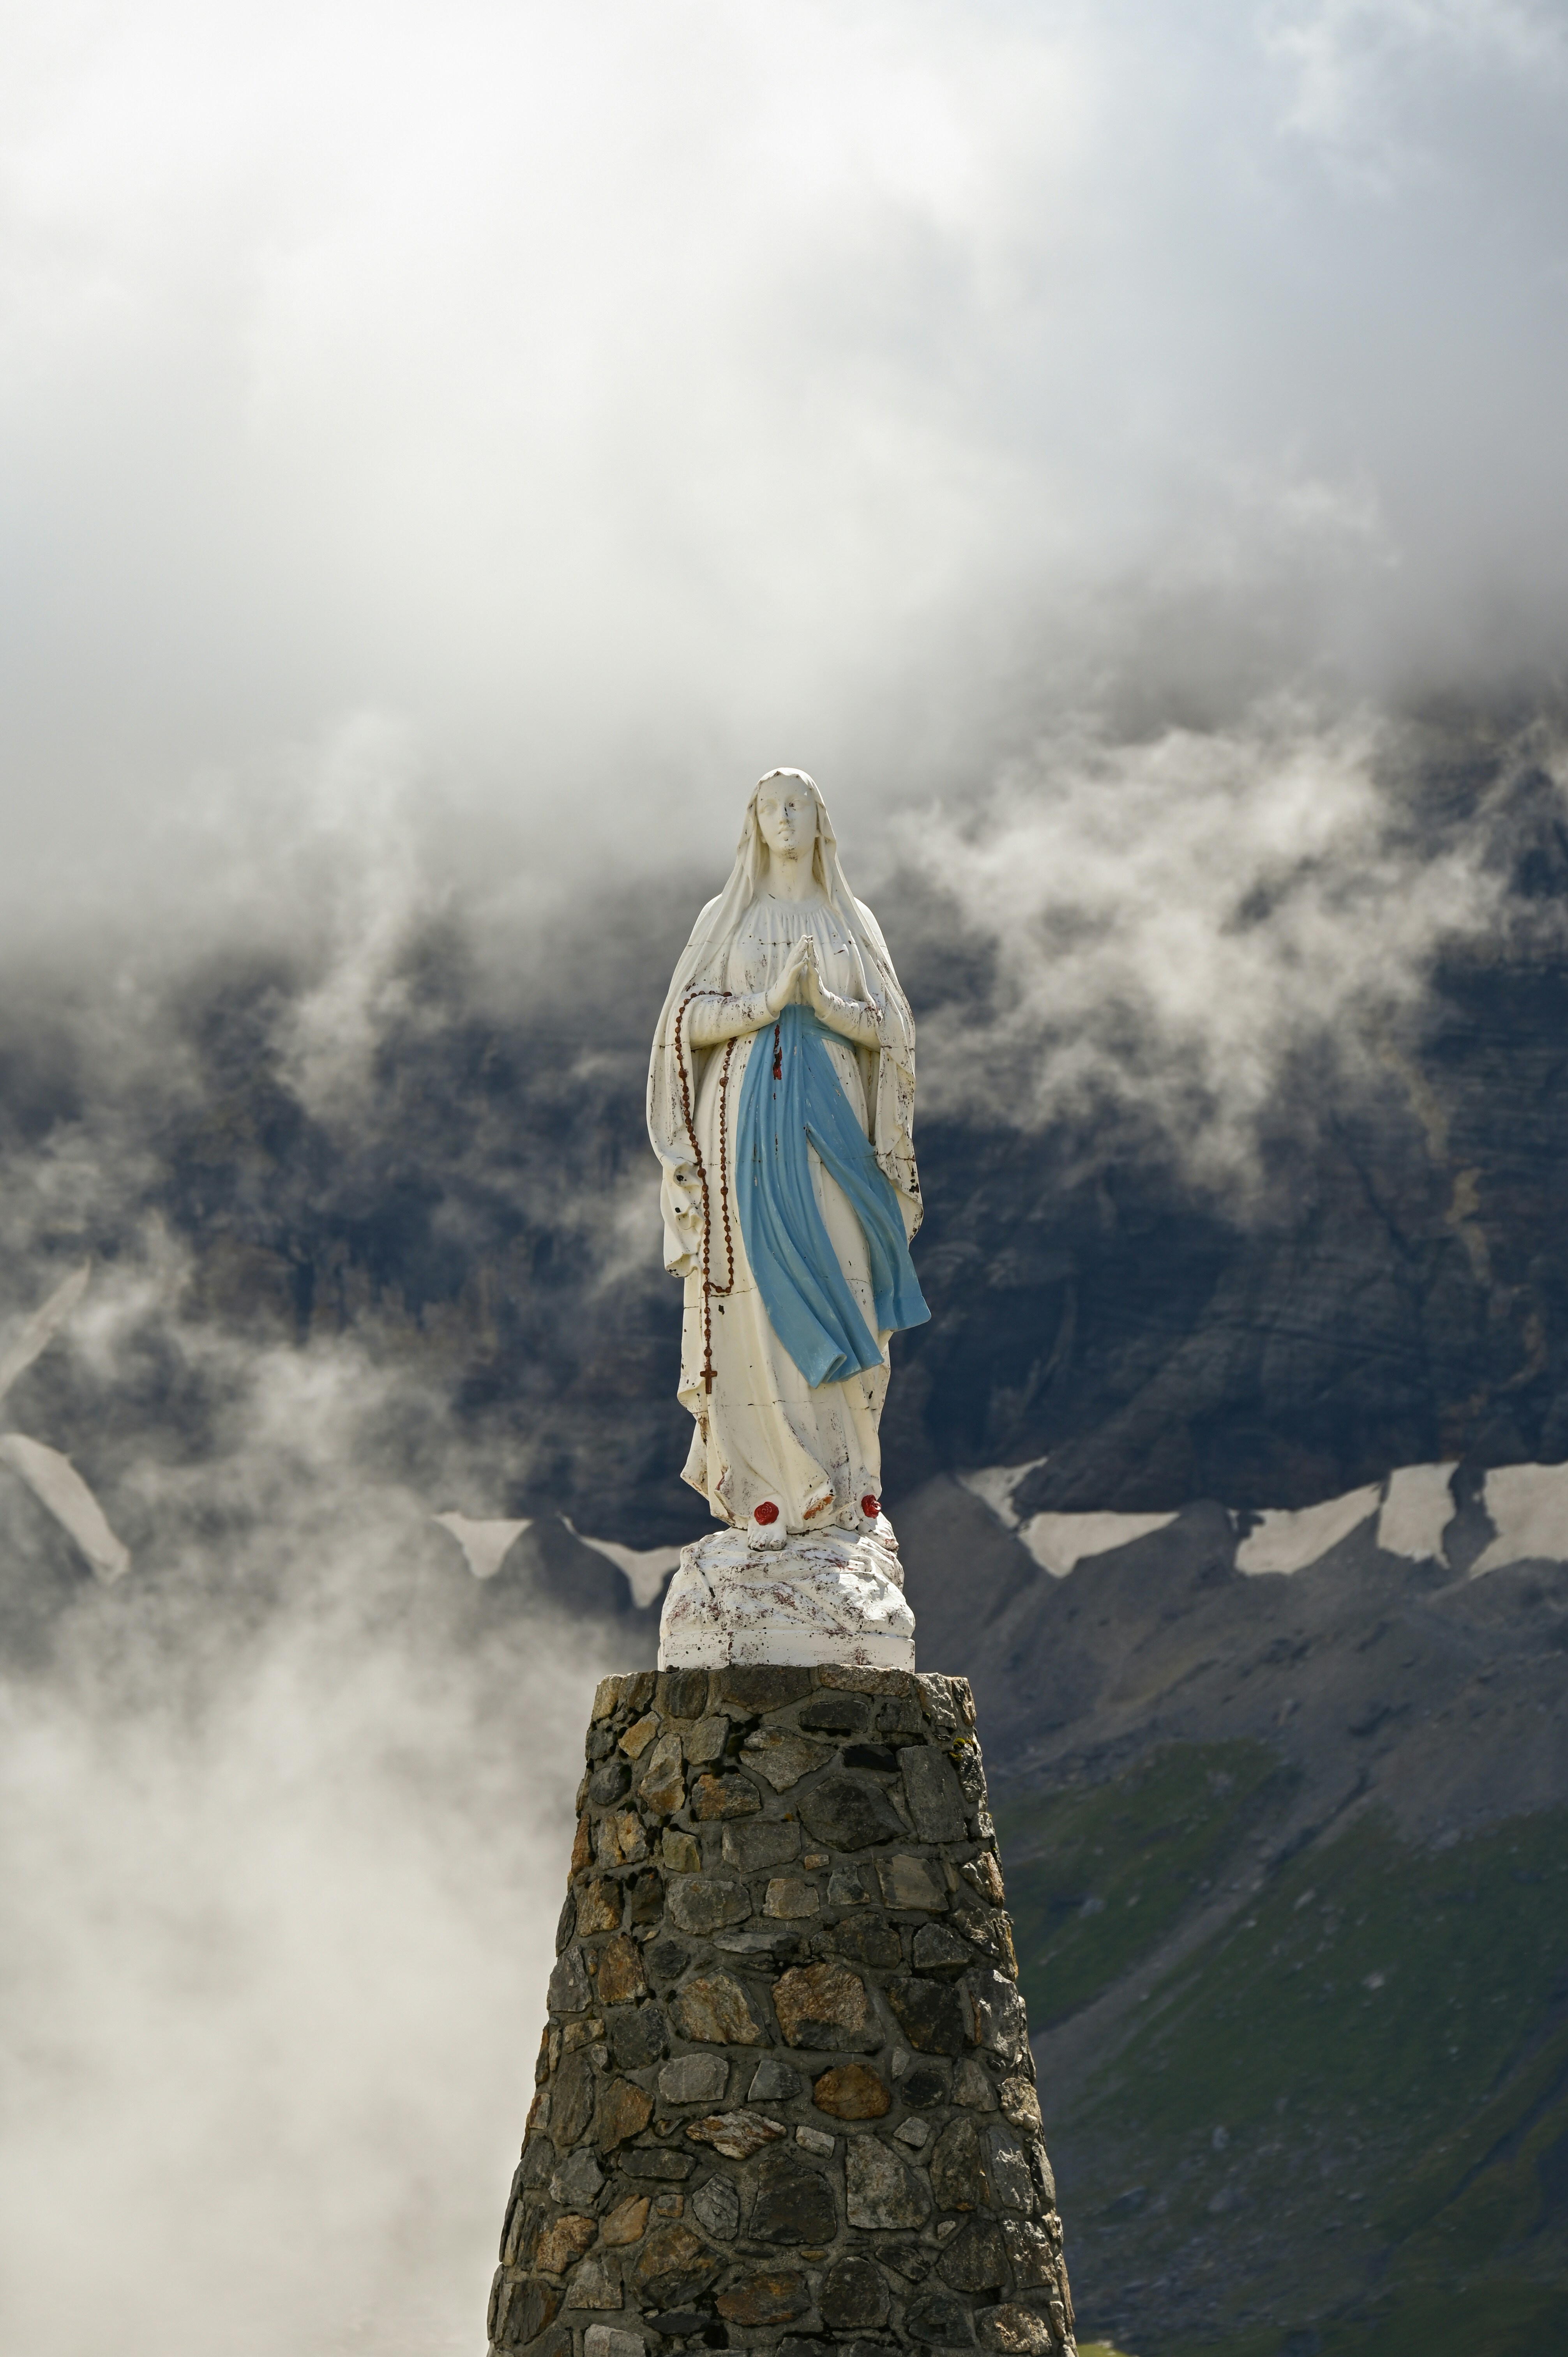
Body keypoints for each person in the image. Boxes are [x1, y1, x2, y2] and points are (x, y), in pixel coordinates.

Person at [647, 768, 929, 1537]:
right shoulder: (726, 916)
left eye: (796, 804)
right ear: (753, 821)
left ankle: (848, 1476)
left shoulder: (850, 919)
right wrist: (763, 1006)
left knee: (848, 1276)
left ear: (819, 821)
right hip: (740, 1117)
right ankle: (770, 1478)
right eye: (770, 806)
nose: (783, 817)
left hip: (833, 1118)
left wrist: (825, 1006)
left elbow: (894, 1031)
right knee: (756, 1296)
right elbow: (682, 1023)